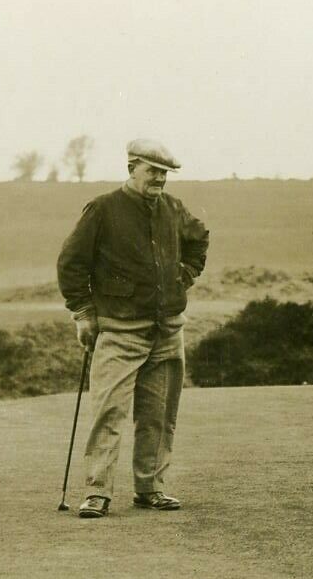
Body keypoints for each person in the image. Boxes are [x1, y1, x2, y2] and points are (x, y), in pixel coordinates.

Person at [56, 139, 210, 518]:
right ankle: (97, 492)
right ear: (131, 169)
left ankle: (151, 488)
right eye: (152, 171)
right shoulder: (103, 209)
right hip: (120, 330)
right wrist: (83, 313)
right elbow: (71, 263)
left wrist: (183, 276)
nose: (159, 179)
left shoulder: (174, 209)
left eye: (164, 173)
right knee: (109, 412)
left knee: (158, 414)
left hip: (168, 329)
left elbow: (199, 238)